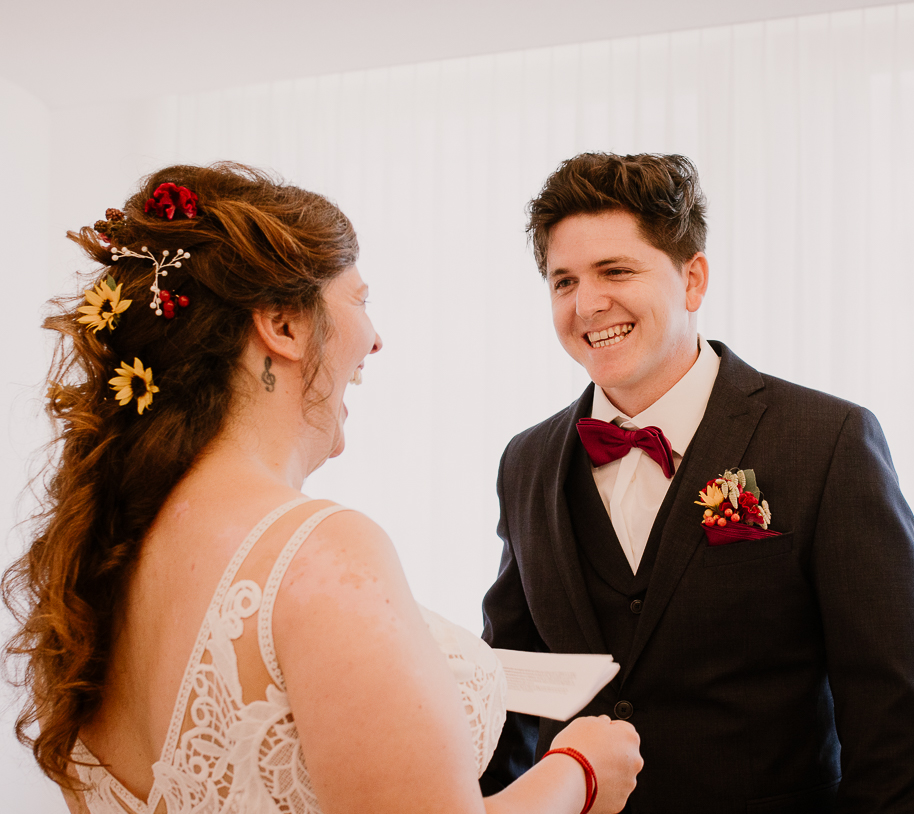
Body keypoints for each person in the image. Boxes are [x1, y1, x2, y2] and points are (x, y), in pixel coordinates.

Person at [2, 163, 642, 814]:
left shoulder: (101, 556)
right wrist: (578, 773)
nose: (375, 338)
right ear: (282, 326)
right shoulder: (320, 552)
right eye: (359, 300)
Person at [480, 153, 914, 812]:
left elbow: (899, 728)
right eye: (564, 281)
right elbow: (505, 691)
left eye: (616, 270)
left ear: (692, 279)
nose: (587, 304)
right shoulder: (525, 461)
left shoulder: (828, 441)